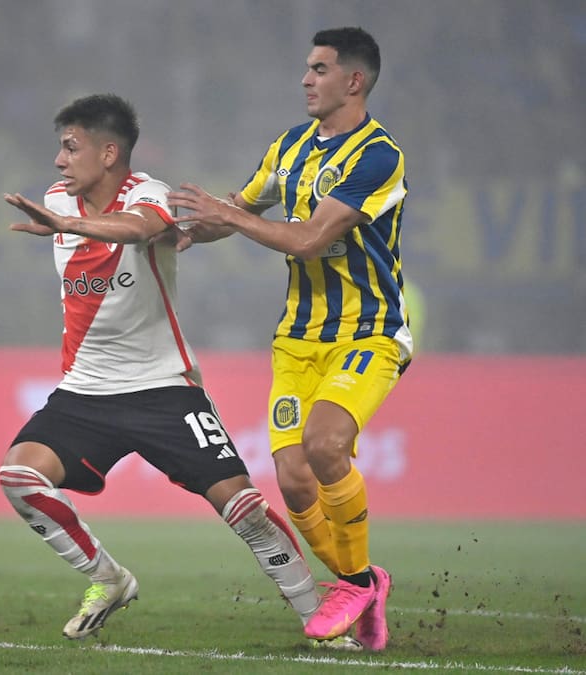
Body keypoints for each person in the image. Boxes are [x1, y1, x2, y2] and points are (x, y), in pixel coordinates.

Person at [0, 93, 342, 647]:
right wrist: (62, 216)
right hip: (85, 392)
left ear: (109, 153)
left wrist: (66, 223)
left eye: (71, 147)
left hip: (164, 390)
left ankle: (323, 622)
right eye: (59, 149)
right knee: (19, 477)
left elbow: (137, 229)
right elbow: (80, 216)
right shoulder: (58, 198)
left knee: (243, 507)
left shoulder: (148, 195)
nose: (59, 161)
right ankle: (106, 578)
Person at [167, 27, 411, 651]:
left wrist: (233, 218)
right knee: (295, 479)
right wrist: (191, 228)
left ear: (353, 81)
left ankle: (352, 583)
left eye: (319, 69)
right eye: (307, 68)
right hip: (297, 338)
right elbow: (241, 205)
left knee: (327, 445)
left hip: (368, 333)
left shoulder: (377, 155)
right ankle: (366, 582)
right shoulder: (289, 146)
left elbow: (305, 238)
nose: (305, 79)